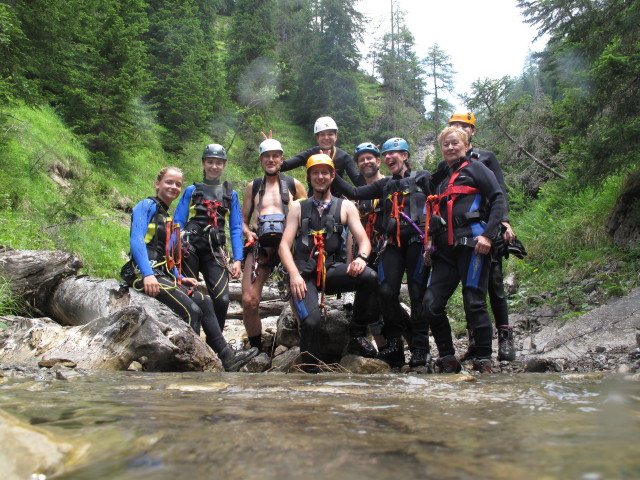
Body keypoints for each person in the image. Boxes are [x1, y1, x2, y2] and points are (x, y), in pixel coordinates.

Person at [122, 166, 258, 371]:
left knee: (204, 301)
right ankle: (188, 363)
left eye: (177, 184)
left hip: (162, 274)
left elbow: (166, 256)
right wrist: (147, 274)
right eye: (169, 182)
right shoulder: (146, 205)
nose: (174, 187)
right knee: (191, 310)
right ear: (157, 184)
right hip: (143, 274)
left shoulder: (166, 217)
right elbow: (137, 242)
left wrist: (179, 277)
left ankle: (226, 357)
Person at [331, 138, 431, 369]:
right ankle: (394, 343)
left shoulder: (423, 177)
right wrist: (330, 170)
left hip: (417, 241)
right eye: (385, 154)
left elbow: (439, 200)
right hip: (393, 244)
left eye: (393, 153)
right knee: (386, 292)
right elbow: (354, 192)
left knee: (417, 295)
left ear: (405, 155)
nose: (388, 158)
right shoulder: (385, 185)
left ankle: (420, 348)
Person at [278, 154, 378, 371]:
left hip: (331, 269)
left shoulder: (346, 207)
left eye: (325, 172)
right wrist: (294, 275)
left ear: (333, 176)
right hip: (303, 274)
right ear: (309, 177)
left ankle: (357, 333)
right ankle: (310, 369)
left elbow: (364, 242)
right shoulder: (298, 208)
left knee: (369, 276)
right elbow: (284, 246)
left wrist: (361, 259)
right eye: (315, 172)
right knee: (311, 322)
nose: (320, 177)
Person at [421, 127, 506, 373]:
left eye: (455, 143)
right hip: (445, 252)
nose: (449, 147)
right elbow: (435, 215)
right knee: (431, 304)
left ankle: (483, 358)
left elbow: (498, 198)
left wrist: (489, 235)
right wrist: (429, 244)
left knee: (474, 302)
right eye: (445, 144)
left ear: (466, 145)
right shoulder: (442, 180)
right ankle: (447, 356)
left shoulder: (477, 168)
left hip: (473, 245)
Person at [447, 112, 517, 361]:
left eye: (463, 126)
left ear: (472, 132)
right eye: (453, 125)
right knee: (471, 288)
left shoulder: (486, 158)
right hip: (465, 233)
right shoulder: (450, 163)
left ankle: (505, 337)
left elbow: (499, 191)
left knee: (494, 284)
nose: (458, 128)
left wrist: (504, 223)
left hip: (488, 226)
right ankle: (476, 340)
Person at [241, 138, 307, 353]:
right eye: (266, 156)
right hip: (260, 246)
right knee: (249, 300)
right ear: (261, 160)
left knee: (298, 298)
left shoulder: (293, 185)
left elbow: (309, 214)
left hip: (289, 246)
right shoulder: (254, 187)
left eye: (275, 156)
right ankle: (256, 349)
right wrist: (248, 232)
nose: (271, 159)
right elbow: (242, 220)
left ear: (281, 159)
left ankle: (304, 346)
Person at [173, 144, 242, 331]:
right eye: (210, 162)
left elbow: (235, 227)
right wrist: (173, 250)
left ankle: (216, 341)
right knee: (188, 295)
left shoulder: (231, 194)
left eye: (218, 163)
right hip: (190, 248)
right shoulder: (191, 191)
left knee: (222, 298)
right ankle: (190, 337)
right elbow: (178, 222)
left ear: (224, 165)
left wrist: (237, 259)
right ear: (203, 163)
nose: (214, 166)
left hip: (215, 249)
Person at [344, 142, 387, 353]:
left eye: (370, 158)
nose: (366, 162)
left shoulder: (390, 185)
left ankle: (401, 344)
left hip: (388, 250)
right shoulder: (356, 195)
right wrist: (350, 259)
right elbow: (352, 231)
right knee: (369, 295)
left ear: (378, 161)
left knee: (385, 296)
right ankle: (382, 346)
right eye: (361, 159)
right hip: (365, 253)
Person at [279, 116, 364, 188]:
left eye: (330, 134)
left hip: (337, 201)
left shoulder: (343, 156)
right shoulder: (310, 154)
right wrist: (271, 151)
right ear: (317, 137)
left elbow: (358, 182)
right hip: (313, 200)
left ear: (336, 136)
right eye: (322, 134)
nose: (326, 138)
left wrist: (365, 164)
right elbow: (283, 166)